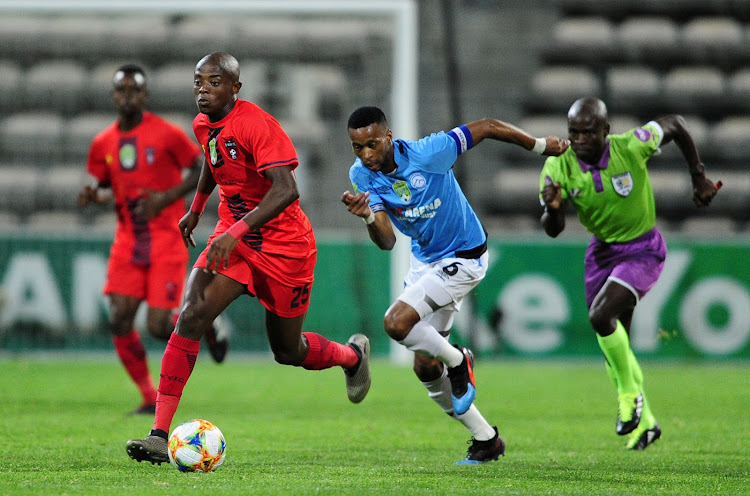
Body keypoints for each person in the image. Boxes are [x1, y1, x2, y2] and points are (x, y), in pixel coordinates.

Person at [125, 52, 371, 465]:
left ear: (235, 88)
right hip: (233, 240)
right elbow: (212, 158)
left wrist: (237, 230)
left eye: (214, 82)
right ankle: (158, 433)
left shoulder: (257, 125)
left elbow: (287, 189)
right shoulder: (203, 123)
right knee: (191, 314)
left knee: (287, 351)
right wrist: (198, 206)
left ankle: (351, 356)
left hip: (284, 247)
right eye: (198, 82)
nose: (203, 89)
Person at [341, 106, 568, 464]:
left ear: (388, 136)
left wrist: (539, 146)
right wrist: (369, 215)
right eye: (357, 147)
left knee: (395, 323)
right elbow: (386, 241)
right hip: (425, 262)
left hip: (465, 256)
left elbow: (490, 125)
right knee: (425, 369)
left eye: (372, 144)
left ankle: (459, 361)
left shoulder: (430, 152)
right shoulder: (362, 175)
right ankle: (486, 439)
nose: (366, 155)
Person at [539, 97, 720, 450]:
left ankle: (627, 398)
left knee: (600, 316)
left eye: (588, 132)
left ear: (606, 131)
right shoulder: (557, 166)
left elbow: (676, 122)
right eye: (573, 133)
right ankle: (646, 421)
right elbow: (554, 229)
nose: (578, 140)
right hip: (602, 252)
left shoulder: (632, 145)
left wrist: (698, 177)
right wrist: (552, 207)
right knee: (615, 343)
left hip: (642, 249)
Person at [77, 64, 229, 416]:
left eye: (134, 90)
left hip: (164, 238)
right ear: (114, 95)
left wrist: (165, 198)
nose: (127, 96)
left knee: (159, 326)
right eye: (121, 90)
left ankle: (206, 324)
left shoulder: (166, 134)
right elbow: (106, 189)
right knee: (118, 319)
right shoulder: (102, 143)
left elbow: (203, 167)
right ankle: (149, 396)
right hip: (127, 240)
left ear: (144, 95)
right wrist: (92, 197)